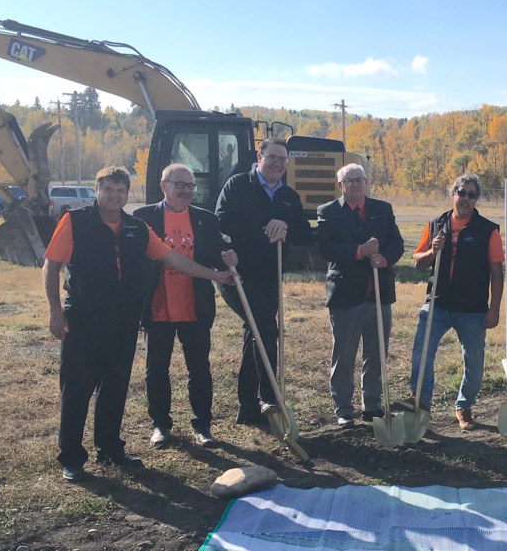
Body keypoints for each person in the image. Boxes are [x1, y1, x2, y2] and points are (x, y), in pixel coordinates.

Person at [43, 166, 237, 482]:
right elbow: (51, 267)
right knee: (77, 389)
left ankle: (109, 450)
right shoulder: (76, 222)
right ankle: (72, 459)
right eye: (109, 190)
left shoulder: (137, 227)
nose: (115, 196)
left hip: (124, 321)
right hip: (84, 320)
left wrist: (216, 275)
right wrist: (55, 311)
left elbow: (173, 260)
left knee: (115, 388)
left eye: (121, 191)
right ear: (97, 190)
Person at [134, 164, 236, 448]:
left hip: (195, 305)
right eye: (180, 184)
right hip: (157, 305)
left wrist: (227, 256)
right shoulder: (144, 217)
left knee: (199, 368)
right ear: (163, 185)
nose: (186, 190)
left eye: (190, 186)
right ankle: (160, 425)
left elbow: (217, 253)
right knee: (157, 369)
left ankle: (202, 425)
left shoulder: (205, 219)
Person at [215, 139, 310, 426]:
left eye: (283, 160)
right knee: (266, 327)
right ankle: (270, 395)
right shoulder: (237, 185)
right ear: (260, 156)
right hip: (236, 274)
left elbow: (304, 234)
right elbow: (221, 221)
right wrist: (264, 230)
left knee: (255, 332)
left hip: (270, 276)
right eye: (273, 158)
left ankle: (247, 408)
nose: (278, 164)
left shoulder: (289, 197)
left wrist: (286, 226)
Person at [398, 173, 504, 431]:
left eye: (471, 194)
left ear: (476, 199)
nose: (466, 198)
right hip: (437, 304)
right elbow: (418, 261)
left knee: (475, 363)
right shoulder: (436, 224)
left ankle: (464, 407)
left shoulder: (488, 230)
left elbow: (496, 273)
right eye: (461, 192)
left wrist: (494, 309)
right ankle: (422, 404)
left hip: (472, 309)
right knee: (421, 356)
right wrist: (433, 250)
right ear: (452, 194)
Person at [317, 164, 405, 428]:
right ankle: (343, 408)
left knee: (377, 352)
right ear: (340, 186)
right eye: (349, 181)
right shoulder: (328, 212)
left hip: (378, 294)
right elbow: (326, 249)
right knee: (344, 354)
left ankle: (372, 404)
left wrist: (385, 258)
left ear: (366, 183)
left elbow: (397, 243)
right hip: (346, 296)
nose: (355, 184)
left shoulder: (382, 209)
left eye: (359, 180)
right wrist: (360, 251)